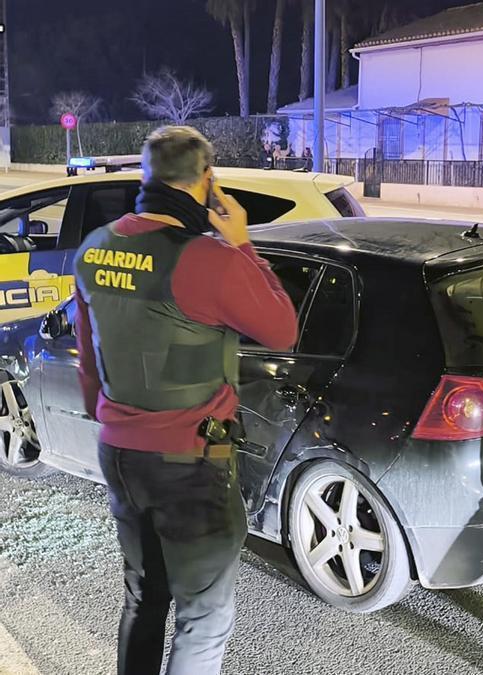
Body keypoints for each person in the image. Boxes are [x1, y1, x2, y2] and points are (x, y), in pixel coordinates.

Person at [73, 126, 298, 675]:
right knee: (203, 616)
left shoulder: (95, 247)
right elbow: (282, 329)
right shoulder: (206, 259)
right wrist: (242, 241)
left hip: (121, 455)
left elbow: (89, 361)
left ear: (145, 177)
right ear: (207, 180)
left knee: (143, 598)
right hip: (190, 466)